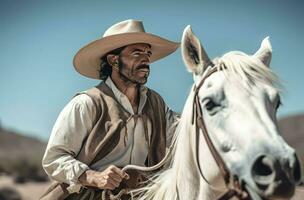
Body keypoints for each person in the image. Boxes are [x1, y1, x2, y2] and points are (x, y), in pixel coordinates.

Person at [40, 19, 180, 199]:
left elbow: (181, 133)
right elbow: (54, 159)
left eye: (147, 53)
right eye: (136, 53)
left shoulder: (156, 103)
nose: (146, 59)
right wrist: (94, 177)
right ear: (114, 60)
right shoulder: (86, 103)